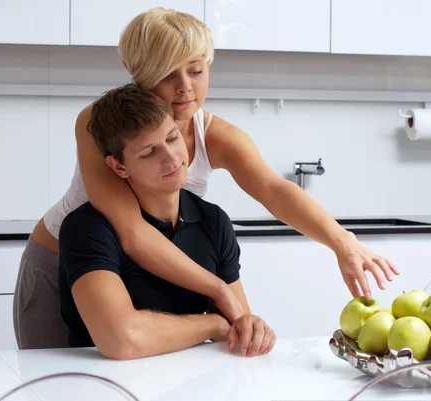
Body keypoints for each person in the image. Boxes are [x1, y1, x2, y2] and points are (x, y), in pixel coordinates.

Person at [13, 6, 399, 350]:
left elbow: (273, 189)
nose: (185, 87)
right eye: (168, 75)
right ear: (141, 77)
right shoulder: (102, 124)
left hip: (147, 271)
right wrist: (218, 291)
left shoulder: (215, 135)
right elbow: (130, 231)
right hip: (64, 262)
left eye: (196, 70)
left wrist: (342, 242)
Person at [58, 84, 275, 359]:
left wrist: (253, 329)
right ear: (119, 167)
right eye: (149, 153)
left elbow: (239, 325)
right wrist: (211, 324)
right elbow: (121, 338)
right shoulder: (88, 229)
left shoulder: (214, 221)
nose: (172, 158)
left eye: (172, 138)